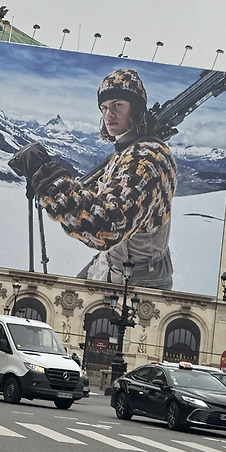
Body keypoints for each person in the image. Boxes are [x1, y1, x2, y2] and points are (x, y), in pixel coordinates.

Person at [27, 69, 178, 289]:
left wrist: (52, 185)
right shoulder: (130, 149)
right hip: (114, 265)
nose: (109, 114)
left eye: (117, 105)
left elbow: (107, 225)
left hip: (135, 281)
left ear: (136, 109)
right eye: (104, 108)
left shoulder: (145, 160)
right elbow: (105, 196)